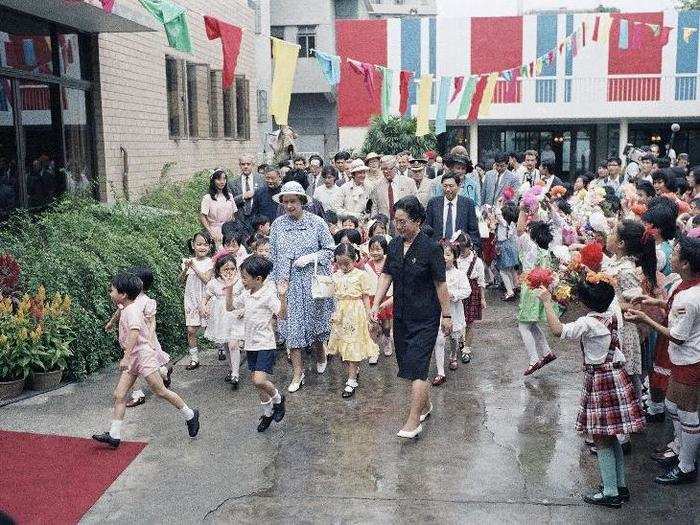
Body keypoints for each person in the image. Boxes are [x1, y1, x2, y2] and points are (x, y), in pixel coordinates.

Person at [536, 280, 644, 508]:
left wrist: (547, 302)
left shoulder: (588, 323)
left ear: (587, 303)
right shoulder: (613, 314)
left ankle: (610, 492)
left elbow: (558, 331)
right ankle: (620, 486)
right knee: (612, 436)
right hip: (616, 376)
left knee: (600, 438)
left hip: (601, 380)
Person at [371, 196, 452, 439]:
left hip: (426, 317)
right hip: (402, 316)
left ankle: (413, 420)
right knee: (407, 365)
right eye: (396, 221)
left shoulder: (431, 248)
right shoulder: (394, 245)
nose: (398, 226)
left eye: (403, 221)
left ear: (417, 221)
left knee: (418, 368)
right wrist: (375, 304)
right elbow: (387, 275)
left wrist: (446, 315)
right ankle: (425, 406)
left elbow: (441, 284)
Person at [92, 273, 200, 448]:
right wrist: (112, 324)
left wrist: (126, 357)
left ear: (123, 294)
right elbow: (120, 316)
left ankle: (190, 414)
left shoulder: (132, 310)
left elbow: (134, 331)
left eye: (111, 290)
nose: (110, 293)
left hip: (142, 355)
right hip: (134, 357)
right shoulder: (125, 308)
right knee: (119, 395)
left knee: (160, 391)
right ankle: (114, 434)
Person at [625, 235, 700, 485]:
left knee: (688, 413)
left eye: (677, 253)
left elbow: (677, 336)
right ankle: (679, 449)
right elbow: (676, 307)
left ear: (686, 264)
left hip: (690, 361)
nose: (672, 256)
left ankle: (686, 467)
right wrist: (656, 302)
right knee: (672, 407)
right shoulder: (686, 286)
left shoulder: (689, 297)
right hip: (683, 360)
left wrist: (645, 319)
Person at [269, 181, 335, 392]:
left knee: (315, 326)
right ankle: (298, 373)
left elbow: (329, 251)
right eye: (285, 202)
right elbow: (273, 254)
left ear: (302, 202)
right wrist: (275, 283)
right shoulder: (278, 224)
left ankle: (320, 353)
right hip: (287, 285)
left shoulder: (317, 223)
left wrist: (311, 257)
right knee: (293, 329)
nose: (289, 206)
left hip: (311, 283)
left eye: (293, 201)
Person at [228, 255, 288, 432]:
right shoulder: (247, 294)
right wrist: (230, 288)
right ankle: (267, 412)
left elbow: (282, 315)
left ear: (258, 279)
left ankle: (278, 398)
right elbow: (230, 307)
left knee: (259, 379)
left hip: (265, 343)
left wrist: (283, 296)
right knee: (256, 383)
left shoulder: (268, 295)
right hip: (250, 345)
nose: (242, 280)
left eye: (245, 277)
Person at [105, 266, 173, 409]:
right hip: (131, 342)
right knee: (133, 368)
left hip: (144, 340)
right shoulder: (127, 300)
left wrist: (149, 339)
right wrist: (111, 322)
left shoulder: (147, 301)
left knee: (155, 368)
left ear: (141, 283)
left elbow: (151, 322)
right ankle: (137, 394)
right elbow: (119, 311)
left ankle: (165, 373)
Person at [327, 243, 379, 398]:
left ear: (354, 259)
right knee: (342, 346)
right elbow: (332, 295)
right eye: (339, 263)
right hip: (340, 312)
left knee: (352, 345)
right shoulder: (335, 275)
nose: (343, 266)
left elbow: (365, 297)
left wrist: (370, 314)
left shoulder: (361, 275)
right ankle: (353, 370)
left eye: (346, 263)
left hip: (355, 312)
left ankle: (351, 380)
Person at [516, 207, 558, 376]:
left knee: (523, 325)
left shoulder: (530, 246)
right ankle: (547, 352)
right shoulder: (546, 250)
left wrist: (522, 211)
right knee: (531, 324)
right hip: (541, 288)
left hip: (530, 288)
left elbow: (519, 230)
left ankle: (534, 359)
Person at [432, 240, 470, 385]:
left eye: (448, 254)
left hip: (454, 310)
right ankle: (440, 372)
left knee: (454, 337)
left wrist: (453, 295)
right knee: (439, 340)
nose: (444, 257)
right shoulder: (435, 273)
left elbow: (467, 291)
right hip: (438, 312)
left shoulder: (459, 274)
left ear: (454, 256)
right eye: (442, 254)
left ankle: (453, 354)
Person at [203, 254, 244, 389]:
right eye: (226, 269)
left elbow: (247, 297)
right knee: (226, 344)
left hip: (235, 315)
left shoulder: (240, 281)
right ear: (218, 269)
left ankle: (236, 374)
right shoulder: (214, 283)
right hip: (220, 317)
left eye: (232, 268)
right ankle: (232, 369)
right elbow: (206, 297)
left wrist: (244, 310)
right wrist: (204, 307)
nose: (229, 272)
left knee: (233, 344)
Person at [180, 230, 214, 370]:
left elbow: (207, 280)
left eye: (205, 244)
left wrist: (193, 267)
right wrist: (185, 269)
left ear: (210, 247)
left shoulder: (211, 262)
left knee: (212, 326)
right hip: (191, 298)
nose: (202, 247)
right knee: (191, 330)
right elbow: (181, 281)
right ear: (193, 245)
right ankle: (194, 359)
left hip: (206, 298)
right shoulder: (187, 261)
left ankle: (222, 349)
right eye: (199, 244)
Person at [424, 172, 480, 247]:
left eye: (451, 186)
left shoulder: (468, 204)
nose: (447, 189)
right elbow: (427, 228)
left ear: (458, 186)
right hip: (437, 249)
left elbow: (473, 231)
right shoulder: (433, 203)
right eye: (445, 186)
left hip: (460, 249)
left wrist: (471, 248)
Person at [456, 233, 486, 363]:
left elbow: (481, 281)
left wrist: (482, 298)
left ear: (470, 246)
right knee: (458, 322)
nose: (462, 252)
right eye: (460, 249)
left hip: (473, 291)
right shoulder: (456, 260)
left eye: (464, 249)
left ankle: (466, 348)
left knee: (470, 322)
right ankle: (461, 343)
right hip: (458, 292)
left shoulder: (477, 261)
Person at [364, 235, 393, 363]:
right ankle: (374, 350)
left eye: (378, 249)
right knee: (373, 325)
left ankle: (387, 339)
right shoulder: (366, 265)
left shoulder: (390, 262)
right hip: (371, 296)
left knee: (386, 325)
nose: (374, 252)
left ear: (384, 250)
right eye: (372, 249)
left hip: (387, 297)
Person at [369, 155, 417, 224]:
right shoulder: (377, 185)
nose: (385, 171)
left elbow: (415, 206)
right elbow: (374, 208)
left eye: (387, 168)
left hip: (405, 225)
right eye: (383, 169)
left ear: (395, 167)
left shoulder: (409, 183)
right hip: (385, 225)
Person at [200, 169, 237, 247]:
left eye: (224, 179)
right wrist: (210, 232)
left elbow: (234, 214)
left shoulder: (229, 196)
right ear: (213, 180)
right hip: (214, 230)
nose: (222, 182)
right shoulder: (207, 197)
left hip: (229, 230)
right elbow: (203, 217)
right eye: (219, 179)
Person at [495, 202, 519, 302]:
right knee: (510, 269)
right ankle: (514, 287)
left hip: (503, 246)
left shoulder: (503, 223)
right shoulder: (512, 223)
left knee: (503, 270)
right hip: (511, 245)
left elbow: (497, 213)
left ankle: (510, 292)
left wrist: (497, 204)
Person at [230, 155, 263, 223]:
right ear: (240, 165)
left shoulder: (261, 179)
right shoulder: (232, 182)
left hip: (257, 217)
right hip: (240, 218)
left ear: (252, 165)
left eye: (248, 164)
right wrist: (243, 196)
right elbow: (229, 202)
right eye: (243, 164)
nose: (245, 166)